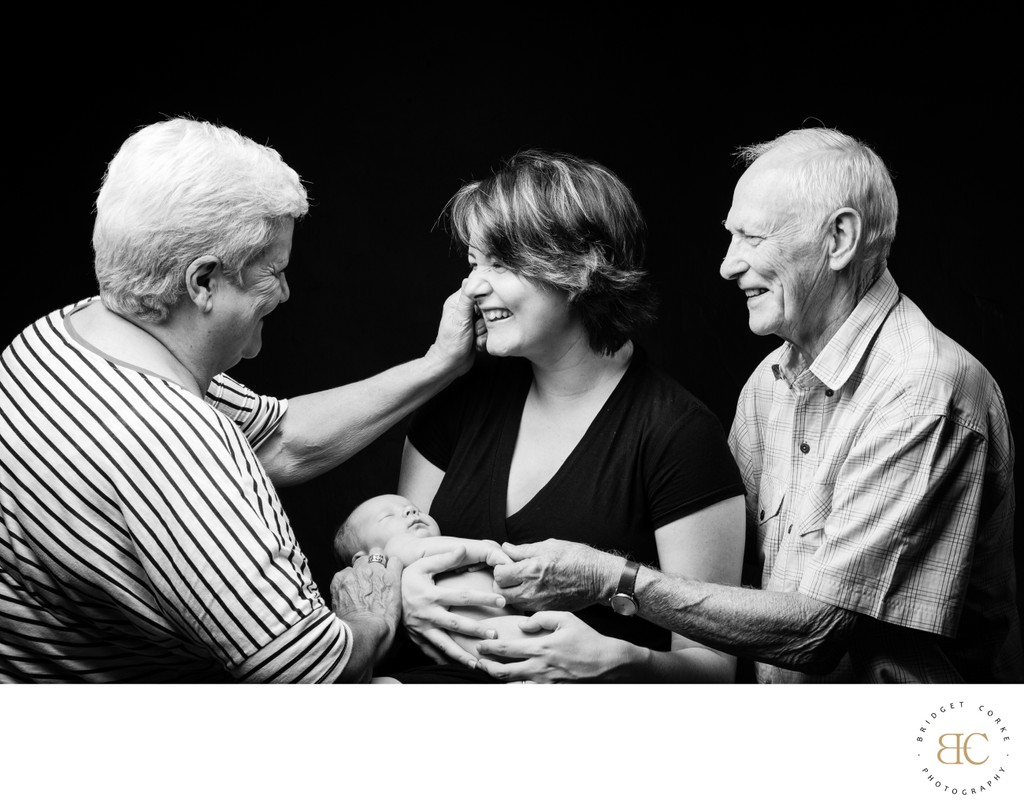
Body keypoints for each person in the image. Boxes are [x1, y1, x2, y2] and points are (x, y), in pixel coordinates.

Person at [476, 128, 1022, 684]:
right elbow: (722, 590)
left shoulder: (921, 392)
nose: (727, 266)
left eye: (751, 238)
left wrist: (610, 579)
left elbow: (820, 633)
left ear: (839, 238)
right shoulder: (770, 382)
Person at [0, 117, 497, 683]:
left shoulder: (62, 335)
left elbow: (279, 440)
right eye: (273, 272)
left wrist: (438, 364)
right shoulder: (172, 437)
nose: (285, 292)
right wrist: (372, 615)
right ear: (203, 281)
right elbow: (305, 673)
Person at [395, 150, 747, 683]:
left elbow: (714, 670)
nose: (472, 286)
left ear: (581, 267)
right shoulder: (458, 398)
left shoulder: (678, 434)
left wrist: (621, 661)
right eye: (473, 262)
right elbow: (388, 547)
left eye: (501, 263)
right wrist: (400, 590)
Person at [334, 493, 543, 667]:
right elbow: (420, 549)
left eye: (414, 508)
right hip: (484, 636)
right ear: (364, 558)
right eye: (388, 516)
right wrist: (485, 549)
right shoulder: (396, 551)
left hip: (504, 631)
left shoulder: (444, 549)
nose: (411, 511)